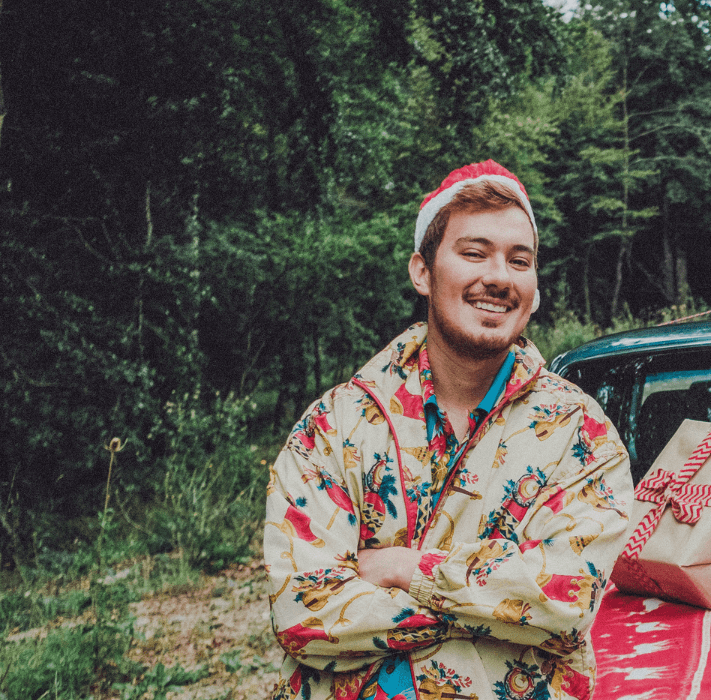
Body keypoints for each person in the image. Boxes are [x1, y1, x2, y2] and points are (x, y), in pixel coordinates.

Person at [263, 160, 633, 700]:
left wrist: (402, 568)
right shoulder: (334, 427)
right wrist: (503, 607)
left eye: (519, 260)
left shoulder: (579, 434)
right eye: (474, 253)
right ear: (422, 271)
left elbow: (567, 600)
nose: (499, 277)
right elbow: (302, 613)